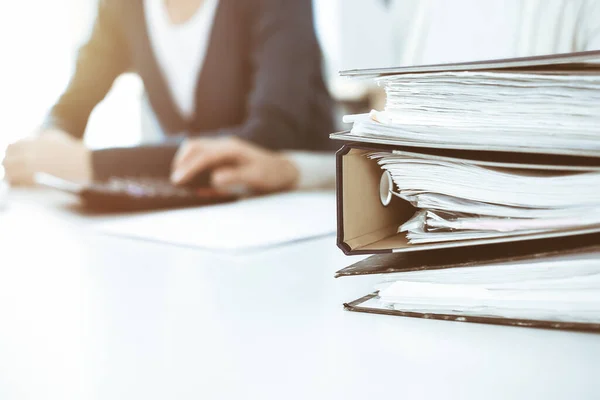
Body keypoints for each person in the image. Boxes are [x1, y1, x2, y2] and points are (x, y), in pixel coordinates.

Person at [3, 0, 337, 192]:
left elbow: (268, 134)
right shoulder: (123, 7)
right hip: (197, 214)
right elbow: (70, 107)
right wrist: (48, 145)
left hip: (302, 208)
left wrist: (92, 165)